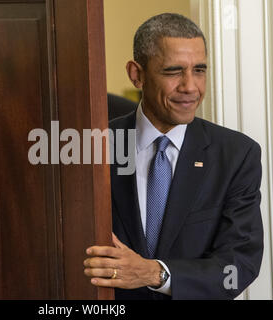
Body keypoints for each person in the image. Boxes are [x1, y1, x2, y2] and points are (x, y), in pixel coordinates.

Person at [83, 13, 263, 300]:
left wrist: (156, 273)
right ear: (136, 74)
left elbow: (238, 268)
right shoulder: (93, 146)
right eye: (173, 71)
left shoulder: (237, 155)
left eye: (200, 70)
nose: (190, 87)